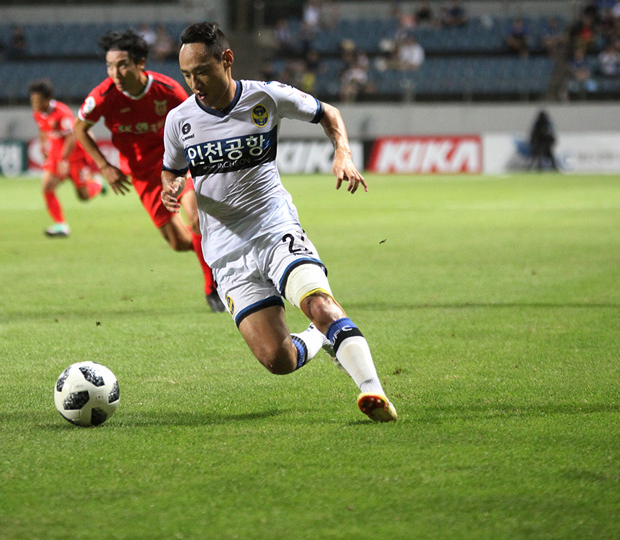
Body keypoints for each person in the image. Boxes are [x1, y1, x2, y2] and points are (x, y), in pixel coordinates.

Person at [160, 22, 397, 423]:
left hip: (274, 227)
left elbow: (329, 113)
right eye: (186, 75)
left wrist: (343, 152)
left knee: (318, 303)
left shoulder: (265, 97)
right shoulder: (178, 120)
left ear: (226, 59)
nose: (194, 83)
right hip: (226, 251)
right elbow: (171, 170)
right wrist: (172, 188)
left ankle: (373, 390)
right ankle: (320, 338)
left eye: (201, 71)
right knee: (278, 359)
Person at [71, 30, 223, 312]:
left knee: (195, 219)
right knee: (180, 242)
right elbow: (79, 127)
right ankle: (219, 248)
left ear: (140, 63)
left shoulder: (168, 90)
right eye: (109, 66)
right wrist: (104, 166)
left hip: (176, 165)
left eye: (122, 65)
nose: (115, 73)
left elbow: (194, 120)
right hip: (142, 175)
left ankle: (212, 288)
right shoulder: (103, 96)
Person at [29, 79, 103, 238]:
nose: (34, 104)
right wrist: (43, 147)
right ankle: (61, 225)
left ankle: (97, 183)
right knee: (47, 187)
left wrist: (64, 160)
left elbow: (71, 137)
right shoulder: (37, 113)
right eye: (32, 100)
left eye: (37, 100)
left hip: (76, 157)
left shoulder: (62, 113)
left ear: (47, 100)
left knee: (83, 196)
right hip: (57, 155)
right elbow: (42, 129)